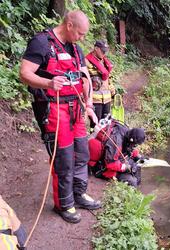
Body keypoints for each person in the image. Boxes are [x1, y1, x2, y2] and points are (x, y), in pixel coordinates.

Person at [19, 10, 101, 224]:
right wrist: (48, 83)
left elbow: (85, 79)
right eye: (80, 34)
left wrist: (89, 104)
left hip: (76, 109)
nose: (82, 38)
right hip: (54, 110)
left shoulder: (75, 48)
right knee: (63, 159)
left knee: (82, 153)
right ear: (69, 25)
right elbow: (24, 73)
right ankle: (64, 203)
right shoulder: (41, 43)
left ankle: (79, 194)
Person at [88, 118, 145, 187]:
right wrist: (124, 167)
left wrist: (136, 155)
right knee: (132, 181)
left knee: (137, 167)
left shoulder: (126, 132)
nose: (135, 146)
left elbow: (127, 147)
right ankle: (130, 193)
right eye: (135, 144)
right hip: (102, 168)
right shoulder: (115, 142)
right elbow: (110, 164)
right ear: (131, 140)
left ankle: (137, 190)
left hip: (116, 159)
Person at [85, 40, 115, 128]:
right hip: (95, 100)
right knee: (95, 126)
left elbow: (108, 77)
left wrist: (112, 88)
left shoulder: (104, 61)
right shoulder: (86, 62)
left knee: (106, 124)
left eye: (105, 51)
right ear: (96, 48)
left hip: (107, 99)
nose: (104, 53)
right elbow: (84, 80)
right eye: (102, 50)